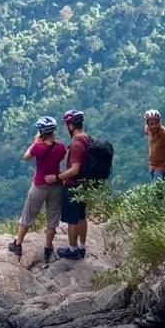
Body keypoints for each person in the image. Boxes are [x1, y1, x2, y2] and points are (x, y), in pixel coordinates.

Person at [10, 115, 66, 262]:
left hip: (40, 186)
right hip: (56, 186)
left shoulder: (38, 147)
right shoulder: (60, 147)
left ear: (41, 132)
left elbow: (26, 157)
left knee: (28, 216)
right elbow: (60, 157)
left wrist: (35, 142)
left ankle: (18, 244)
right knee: (52, 219)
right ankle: (48, 248)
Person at [51, 109, 93, 259]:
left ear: (71, 125)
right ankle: (82, 247)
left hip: (73, 185)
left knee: (72, 219)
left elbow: (74, 170)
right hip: (84, 184)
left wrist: (58, 177)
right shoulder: (87, 139)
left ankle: (72, 249)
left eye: (67, 124)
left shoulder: (76, 144)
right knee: (81, 216)